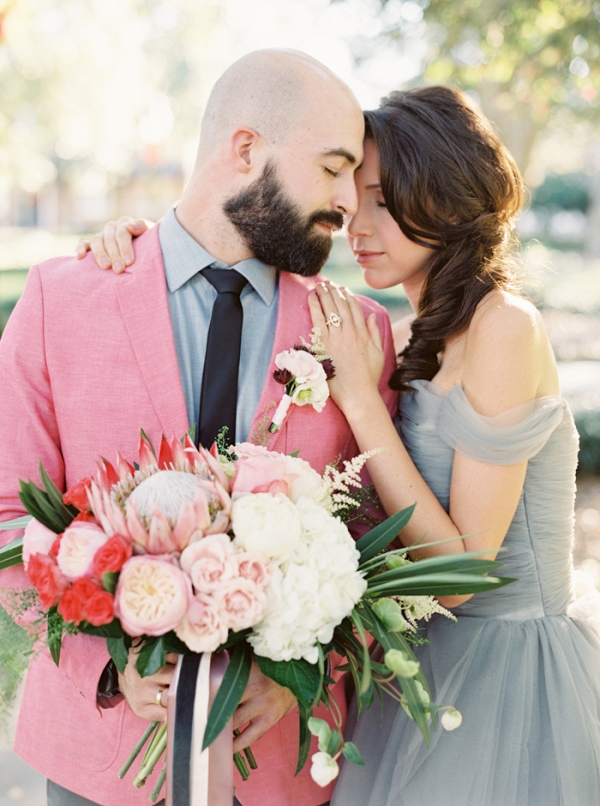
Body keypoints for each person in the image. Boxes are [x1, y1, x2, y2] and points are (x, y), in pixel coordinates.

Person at [94, 85, 600, 805]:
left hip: (505, 677)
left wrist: (363, 399)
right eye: (349, 193)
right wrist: (146, 243)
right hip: (409, 672)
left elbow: (462, 574)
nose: (354, 222)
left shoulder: (504, 327)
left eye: (382, 202)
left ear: (447, 200)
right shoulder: (400, 340)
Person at [0, 50, 397, 806]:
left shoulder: (356, 333)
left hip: (280, 766)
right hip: (98, 764)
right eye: (334, 167)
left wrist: (300, 679)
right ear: (246, 150)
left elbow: (383, 543)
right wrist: (107, 667)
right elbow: (6, 520)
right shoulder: (58, 301)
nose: (350, 199)